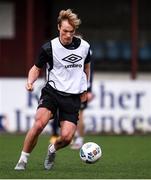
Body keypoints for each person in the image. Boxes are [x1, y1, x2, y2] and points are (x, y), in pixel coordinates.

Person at [14, 9, 91, 171]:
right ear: (58, 28)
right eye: (65, 31)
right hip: (52, 92)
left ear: (75, 31)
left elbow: (87, 67)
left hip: (72, 97)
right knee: (39, 123)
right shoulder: (49, 48)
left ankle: (52, 149)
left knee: (67, 137)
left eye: (71, 31)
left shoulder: (84, 47)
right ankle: (22, 160)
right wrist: (30, 82)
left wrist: (86, 87)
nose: (68, 35)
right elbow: (36, 69)